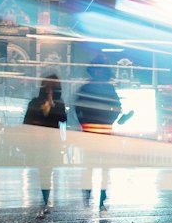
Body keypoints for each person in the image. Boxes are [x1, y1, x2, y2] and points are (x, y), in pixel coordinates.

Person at [74, 58, 132, 209]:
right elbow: (117, 108)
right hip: (103, 132)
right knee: (101, 167)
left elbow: (77, 108)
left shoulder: (86, 88)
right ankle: (100, 199)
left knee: (91, 166)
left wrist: (83, 122)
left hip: (91, 132)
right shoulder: (108, 89)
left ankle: (91, 195)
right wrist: (110, 121)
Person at [22, 73, 67, 213]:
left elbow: (63, 119)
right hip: (38, 142)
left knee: (47, 170)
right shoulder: (35, 102)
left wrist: (53, 105)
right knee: (43, 170)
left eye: (54, 87)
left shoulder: (59, 103)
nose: (51, 90)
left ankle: (45, 199)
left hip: (51, 142)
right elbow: (27, 121)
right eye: (48, 86)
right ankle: (44, 198)